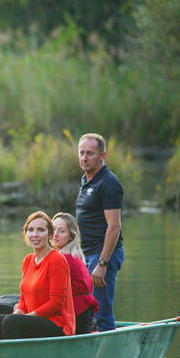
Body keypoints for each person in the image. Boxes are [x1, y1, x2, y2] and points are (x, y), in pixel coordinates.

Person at [0, 211, 75, 340]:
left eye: (41, 230)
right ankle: (1, 352)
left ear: (50, 234)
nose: (35, 234)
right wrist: (17, 314)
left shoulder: (56, 259)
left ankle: (17, 353)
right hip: (33, 319)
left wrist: (25, 317)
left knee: (11, 322)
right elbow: (23, 299)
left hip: (57, 323)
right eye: (30, 230)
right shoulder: (28, 260)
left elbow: (56, 303)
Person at [76, 133, 124, 331]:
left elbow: (114, 226)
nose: (84, 158)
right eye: (81, 153)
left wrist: (102, 263)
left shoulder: (108, 183)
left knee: (100, 313)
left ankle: (111, 348)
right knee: (86, 312)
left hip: (102, 255)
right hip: (87, 254)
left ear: (102, 155)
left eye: (90, 153)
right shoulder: (86, 179)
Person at [51, 212, 99, 335]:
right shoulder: (73, 254)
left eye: (61, 231)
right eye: (53, 229)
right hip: (81, 307)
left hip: (77, 310)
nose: (55, 234)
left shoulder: (64, 257)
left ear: (71, 236)